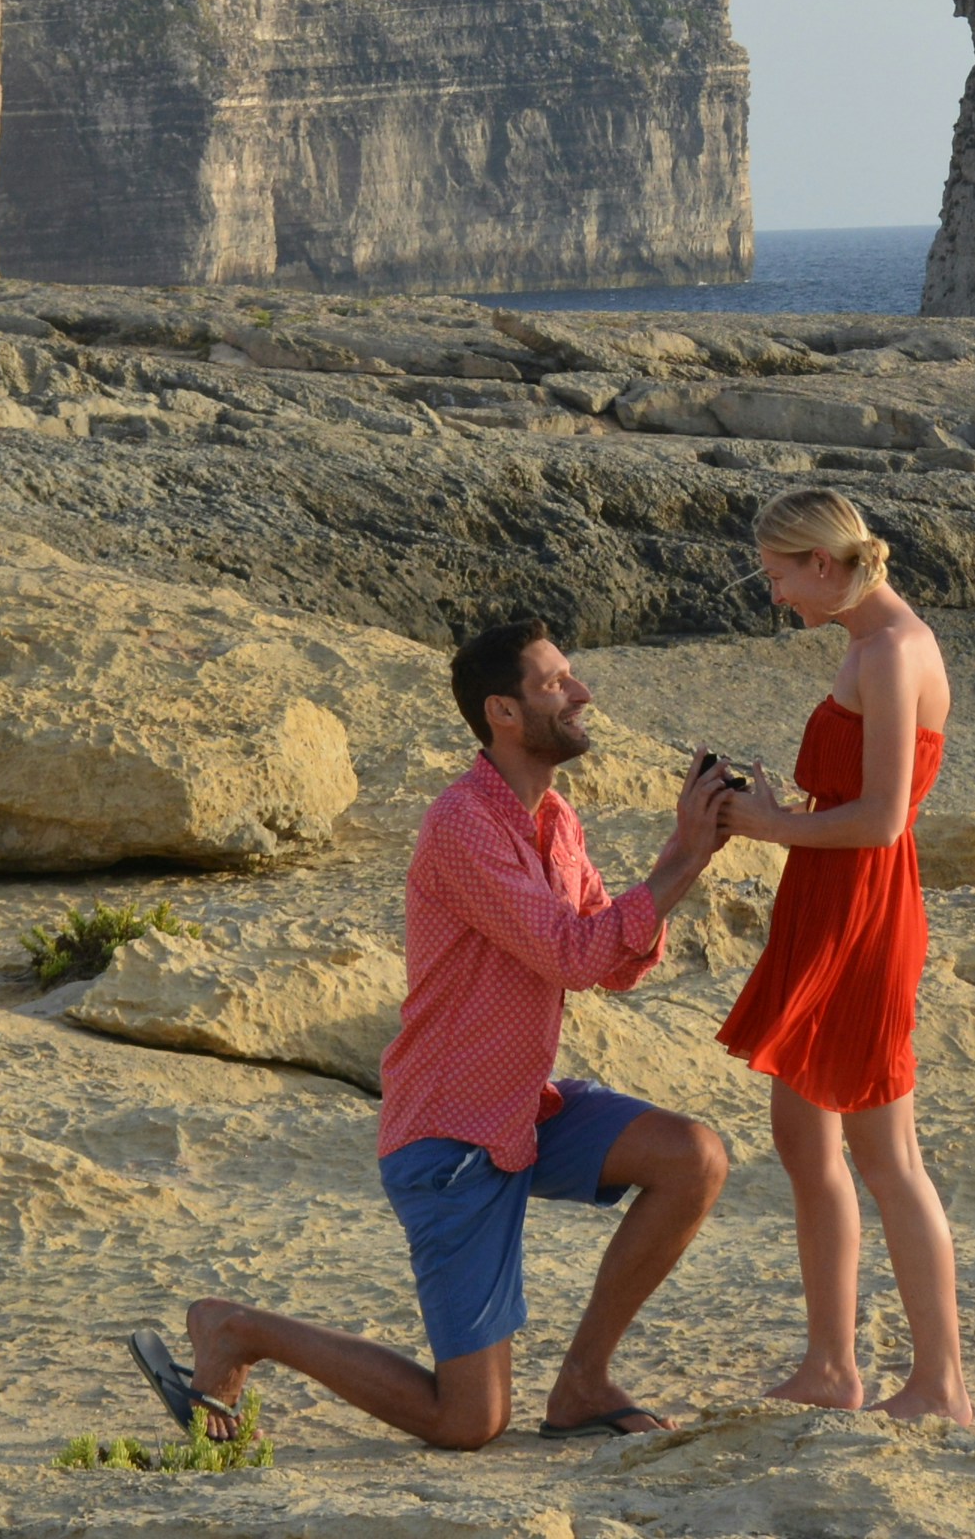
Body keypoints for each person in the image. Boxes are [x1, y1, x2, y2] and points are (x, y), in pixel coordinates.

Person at [129, 619, 753, 1451]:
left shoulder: (556, 819)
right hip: (449, 1136)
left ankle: (582, 1386)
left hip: (526, 1110)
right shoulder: (462, 824)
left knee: (692, 1156)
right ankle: (241, 1331)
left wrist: (682, 857)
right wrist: (683, 855)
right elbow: (572, 956)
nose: (581, 693)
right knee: (469, 1423)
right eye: (555, 682)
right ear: (502, 711)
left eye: (572, 676)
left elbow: (612, 960)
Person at [710, 488, 973, 1425]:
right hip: (825, 902)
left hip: (865, 910)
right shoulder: (864, 644)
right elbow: (848, 797)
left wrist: (774, 824)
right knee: (804, 1135)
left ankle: (940, 1385)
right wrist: (781, 808)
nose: (775, 596)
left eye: (779, 575)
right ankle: (832, 1365)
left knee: (885, 1150)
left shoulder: (896, 650)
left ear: (823, 564)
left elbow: (887, 818)